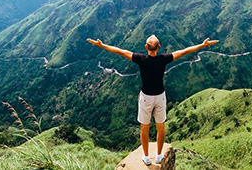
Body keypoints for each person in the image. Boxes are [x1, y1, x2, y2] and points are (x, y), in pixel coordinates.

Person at [87, 35, 219, 165]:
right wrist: (202, 45)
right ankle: (159, 155)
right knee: (160, 127)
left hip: (146, 98)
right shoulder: (163, 59)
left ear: (146, 47)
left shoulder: (141, 59)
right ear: (159, 47)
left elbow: (120, 51)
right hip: (160, 96)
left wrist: (102, 45)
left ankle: (146, 156)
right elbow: (184, 52)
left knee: (144, 128)